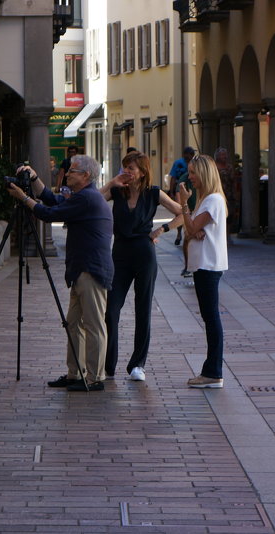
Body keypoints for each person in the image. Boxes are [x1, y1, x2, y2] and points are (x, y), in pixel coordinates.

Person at [8, 155, 112, 392]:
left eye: (72, 171)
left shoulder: (87, 198)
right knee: (74, 323)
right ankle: (75, 374)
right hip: (80, 270)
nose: (67, 174)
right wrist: (34, 179)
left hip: (91, 270)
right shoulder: (81, 196)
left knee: (94, 324)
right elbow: (52, 199)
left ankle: (96, 378)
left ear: (86, 175)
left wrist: (23, 198)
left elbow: (49, 213)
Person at [100, 151, 183, 382]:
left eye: (131, 168)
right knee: (111, 309)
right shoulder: (117, 191)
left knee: (143, 308)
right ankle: (109, 365)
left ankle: (138, 364)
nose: (126, 172)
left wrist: (162, 230)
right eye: (124, 167)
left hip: (144, 253)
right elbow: (92, 200)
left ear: (143, 172)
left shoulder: (154, 192)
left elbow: (183, 213)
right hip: (119, 254)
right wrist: (111, 182)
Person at [176, 154, 227, 389]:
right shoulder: (206, 200)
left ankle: (213, 371)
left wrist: (184, 203)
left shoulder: (213, 200)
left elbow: (192, 226)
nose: (190, 177)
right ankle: (211, 370)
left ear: (205, 173)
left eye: (194, 172)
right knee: (209, 317)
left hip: (208, 265)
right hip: (202, 264)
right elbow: (190, 230)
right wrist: (192, 227)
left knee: (211, 317)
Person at [168, 146, 196, 246]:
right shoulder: (178, 163)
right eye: (187, 154)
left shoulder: (195, 163)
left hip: (192, 189)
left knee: (190, 211)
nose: (189, 156)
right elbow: (173, 177)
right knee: (180, 212)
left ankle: (188, 232)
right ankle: (179, 234)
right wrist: (171, 192)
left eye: (191, 154)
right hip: (179, 190)